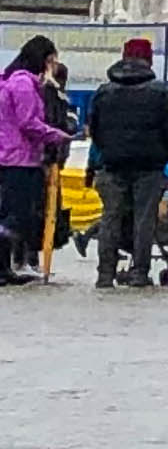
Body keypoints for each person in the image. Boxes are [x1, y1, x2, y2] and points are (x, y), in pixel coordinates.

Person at [84, 37, 168, 287]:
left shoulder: (104, 91)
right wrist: (162, 154)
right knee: (144, 219)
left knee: (111, 217)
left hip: (113, 164)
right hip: (150, 166)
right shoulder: (160, 92)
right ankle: (139, 272)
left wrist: (109, 150)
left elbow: (95, 128)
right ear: (149, 59)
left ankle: (105, 273)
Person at [1, 34, 77, 286]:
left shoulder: (9, 81)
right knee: (18, 215)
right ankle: (3, 266)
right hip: (20, 159)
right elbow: (28, 122)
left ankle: (5, 268)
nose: (54, 66)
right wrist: (58, 135)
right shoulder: (23, 84)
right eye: (53, 60)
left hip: (10, 156)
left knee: (11, 213)